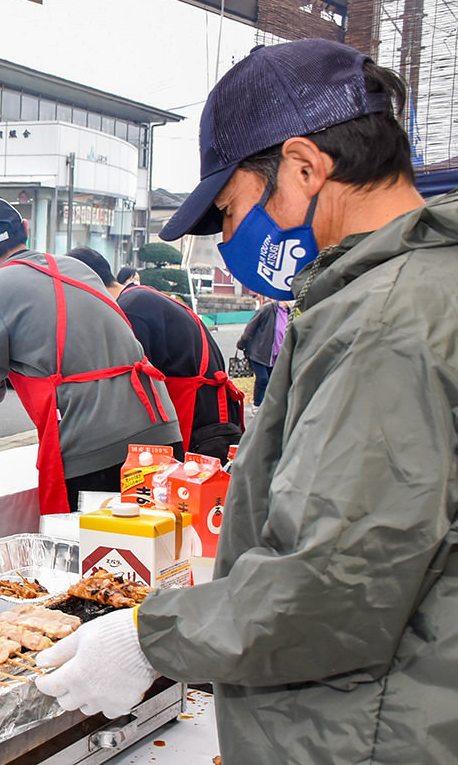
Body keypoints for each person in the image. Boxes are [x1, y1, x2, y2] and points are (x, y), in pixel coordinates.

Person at [34, 39, 458, 764]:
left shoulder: (385, 319)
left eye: (230, 212)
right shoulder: (414, 284)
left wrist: (149, 637)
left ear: (303, 165)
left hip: (366, 731)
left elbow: (339, 581)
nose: (231, 240)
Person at [0, 193, 180, 515]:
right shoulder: (75, 267)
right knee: (156, 548)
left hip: (94, 445)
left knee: (99, 559)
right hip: (159, 425)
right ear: (25, 229)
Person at [67, 246, 244, 463]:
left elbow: (126, 383)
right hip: (208, 411)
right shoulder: (140, 297)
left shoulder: (131, 307)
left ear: (86, 283)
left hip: (200, 420)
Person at [236, 296, 291, 413]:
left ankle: (266, 407)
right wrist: (242, 343)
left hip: (275, 354)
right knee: (262, 379)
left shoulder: (288, 313)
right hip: (259, 352)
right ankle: (257, 405)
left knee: (271, 381)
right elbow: (251, 327)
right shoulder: (268, 309)